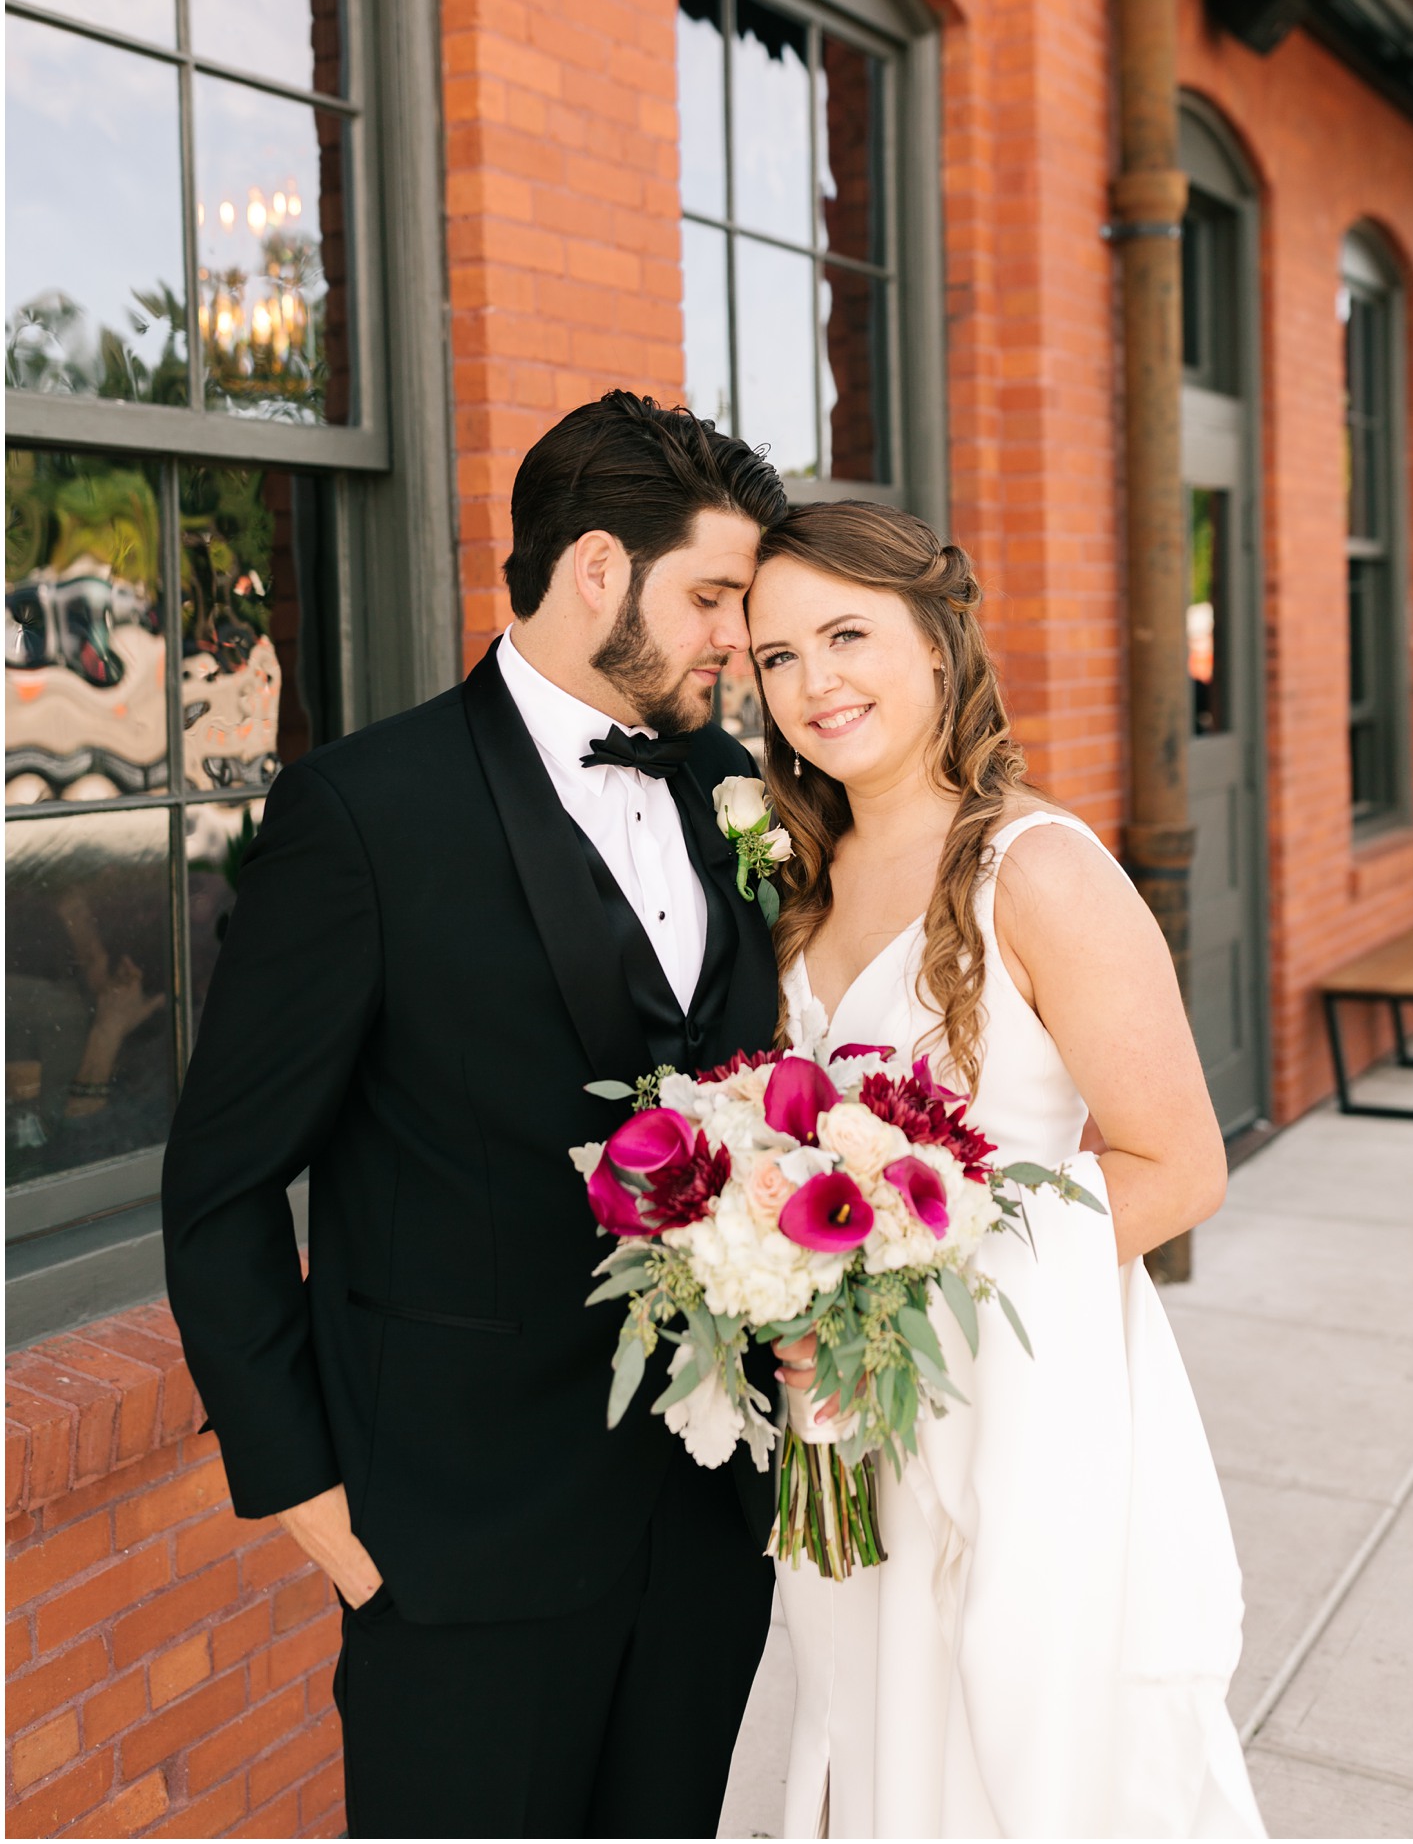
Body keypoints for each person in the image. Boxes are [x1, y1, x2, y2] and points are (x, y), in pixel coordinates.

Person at [162, 393, 787, 1840]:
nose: (734, 639)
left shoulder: (732, 786)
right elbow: (222, 1180)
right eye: (712, 595)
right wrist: (303, 1485)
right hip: (455, 1546)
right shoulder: (361, 812)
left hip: (704, 1528)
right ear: (594, 573)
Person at [747, 500, 1265, 1841]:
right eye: (777, 655)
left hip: (1014, 1399)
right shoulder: (805, 873)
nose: (816, 683)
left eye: (847, 633)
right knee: (869, 1734)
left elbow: (1180, 1163)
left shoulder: (1035, 868)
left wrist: (907, 1303)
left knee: (1013, 1756)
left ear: (937, 640)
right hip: (850, 1425)